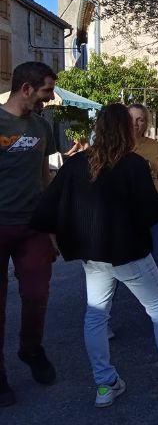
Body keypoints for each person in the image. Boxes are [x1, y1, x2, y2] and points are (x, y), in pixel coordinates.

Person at [30, 103, 158, 407]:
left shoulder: (75, 165)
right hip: (129, 252)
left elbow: (46, 208)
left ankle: (104, 383)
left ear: (98, 129)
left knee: (96, 315)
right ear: (125, 129)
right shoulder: (133, 164)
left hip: (92, 255)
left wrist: (60, 238)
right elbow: (152, 210)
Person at [0, 62, 58, 407]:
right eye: (46, 91)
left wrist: (51, 223)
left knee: (37, 294)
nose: (49, 98)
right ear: (26, 88)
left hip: (33, 225)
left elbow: (44, 175)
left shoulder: (41, 126)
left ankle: (31, 350)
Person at [127, 104, 158, 278]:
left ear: (146, 123)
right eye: (131, 119)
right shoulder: (118, 145)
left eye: (140, 120)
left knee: (154, 256)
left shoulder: (153, 146)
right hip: (127, 211)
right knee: (121, 257)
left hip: (153, 208)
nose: (135, 124)